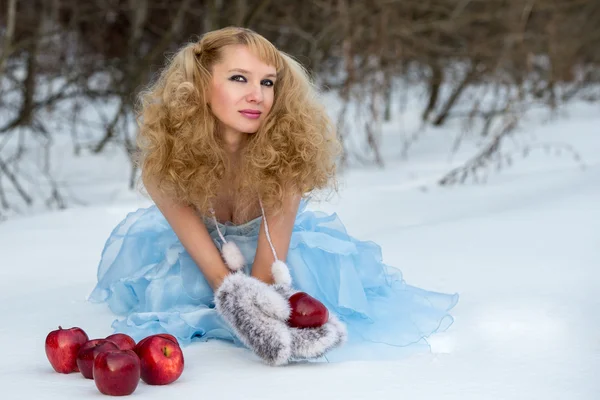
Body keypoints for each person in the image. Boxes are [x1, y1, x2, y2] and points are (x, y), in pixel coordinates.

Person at [88, 27, 458, 365]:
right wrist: (240, 306)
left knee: (294, 301)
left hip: (277, 258)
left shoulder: (285, 152)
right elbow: (221, 279)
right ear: (198, 86)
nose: (257, 95)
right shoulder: (167, 162)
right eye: (238, 79)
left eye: (268, 82)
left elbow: (266, 276)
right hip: (202, 261)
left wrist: (267, 314)